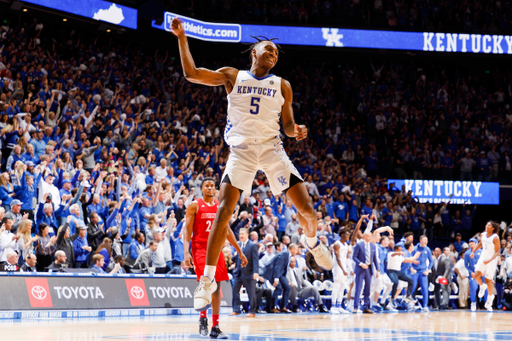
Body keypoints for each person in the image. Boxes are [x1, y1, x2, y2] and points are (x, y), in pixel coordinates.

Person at [170, 18, 333, 315]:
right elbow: (191, 74)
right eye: (268, 49)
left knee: (308, 210)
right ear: (254, 53)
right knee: (223, 210)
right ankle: (206, 279)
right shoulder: (233, 76)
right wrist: (182, 38)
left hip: (272, 149)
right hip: (242, 151)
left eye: (276, 53)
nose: (273, 53)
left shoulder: (283, 85)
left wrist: (296, 130)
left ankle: (312, 242)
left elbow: (286, 125)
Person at [182, 178, 245, 339]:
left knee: (216, 287)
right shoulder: (194, 205)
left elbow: (228, 230)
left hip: (216, 249)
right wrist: (186, 252)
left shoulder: (220, 207)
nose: (210, 188)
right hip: (200, 248)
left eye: (212, 186)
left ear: (216, 189)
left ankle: (216, 327)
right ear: (202, 189)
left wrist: (239, 251)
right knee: (206, 283)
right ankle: (203, 319)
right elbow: (187, 231)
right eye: (206, 185)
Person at [471, 221, 501, 312]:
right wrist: (473, 251)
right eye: (486, 224)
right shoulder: (483, 235)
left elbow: (497, 252)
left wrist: (489, 260)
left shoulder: (495, 237)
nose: (486, 226)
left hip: (492, 259)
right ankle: (482, 286)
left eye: (488, 225)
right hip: (483, 257)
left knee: (488, 280)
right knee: (476, 275)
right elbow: (481, 244)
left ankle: (490, 297)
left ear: (492, 228)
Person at [230, 228, 259, 317]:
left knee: (251, 293)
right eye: (240, 234)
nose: (241, 235)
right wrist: (234, 256)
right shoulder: (238, 244)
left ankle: (252, 311)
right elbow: (234, 260)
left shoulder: (252, 245)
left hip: (249, 272)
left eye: (243, 234)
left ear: (247, 235)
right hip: (238, 272)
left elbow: (255, 259)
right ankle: (236, 310)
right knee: (235, 291)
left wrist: (256, 272)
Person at [264, 243, 298, 314]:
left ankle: (283, 307)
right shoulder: (284, 254)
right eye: (296, 250)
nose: (297, 251)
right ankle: (273, 307)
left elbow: (282, 268)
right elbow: (278, 266)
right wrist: (276, 279)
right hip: (272, 272)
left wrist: (284, 281)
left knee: (287, 287)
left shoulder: (287, 254)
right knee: (278, 287)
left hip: (278, 273)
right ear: (292, 249)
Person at [353, 231, 380, 313]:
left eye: (370, 236)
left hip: (369, 269)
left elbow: (374, 258)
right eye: (368, 236)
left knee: (368, 288)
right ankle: (355, 307)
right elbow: (354, 257)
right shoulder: (358, 245)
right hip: (360, 269)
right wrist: (361, 264)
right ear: (364, 237)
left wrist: (378, 270)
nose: (370, 238)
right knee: (358, 288)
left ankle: (366, 307)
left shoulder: (373, 245)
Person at [387, 243, 420, 308]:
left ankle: (408, 296)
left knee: (410, 280)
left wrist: (415, 258)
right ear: (396, 250)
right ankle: (393, 298)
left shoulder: (400, 257)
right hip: (391, 271)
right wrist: (399, 253)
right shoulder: (390, 254)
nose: (402, 251)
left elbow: (408, 260)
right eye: (400, 250)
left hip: (398, 272)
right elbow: (394, 254)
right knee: (396, 282)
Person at [330, 228, 351, 314]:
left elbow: (346, 258)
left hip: (343, 268)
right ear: (342, 235)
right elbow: (338, 258)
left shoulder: (346, 245)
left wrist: (348, 269)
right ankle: (333, 306)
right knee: (336, 286)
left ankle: (339, 306)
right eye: (347, 235)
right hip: (337, 268)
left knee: (342, 286)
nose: (348, 236)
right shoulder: (337, 244)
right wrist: (343, 269)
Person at [411, 235, 433, 312]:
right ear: (420, 240)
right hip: (415, 271)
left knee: (425, 289)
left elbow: (431, 261)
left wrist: (428, 270)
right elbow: (410, 259)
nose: (426, 241)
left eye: (426, 240)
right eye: (424, 240)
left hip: (423, 272)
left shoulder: (428, 249)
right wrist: (411, 268)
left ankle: (425, 306)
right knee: (412, 288)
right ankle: (410, 305)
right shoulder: (414, 248)